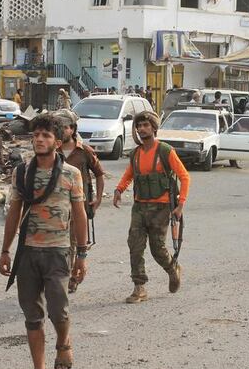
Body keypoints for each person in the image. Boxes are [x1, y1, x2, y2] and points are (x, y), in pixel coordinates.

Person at [0, 114, 89, 369]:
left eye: (46, 135)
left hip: (58, 251)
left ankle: (64, 343)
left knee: (59, 310)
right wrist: (4, 251)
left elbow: (80, 214)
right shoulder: (22, 172)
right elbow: (13, 211)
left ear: (58, 142)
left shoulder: (70, 174)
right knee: (32, 315)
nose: (39, 139)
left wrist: (82, 255)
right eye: (35, 134)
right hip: (27, 252)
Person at [113, 111, 190, 304]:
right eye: (139, 126)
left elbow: (184, 176)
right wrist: (119, 189)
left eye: (146, 125)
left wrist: (180, 205)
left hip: (161, 208)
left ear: (153, 128)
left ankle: (173, 268)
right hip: (140, 207)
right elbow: (130, 174)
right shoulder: (136, 154)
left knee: (157, 248)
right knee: (135, 246)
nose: (141, 129)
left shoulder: (165, 151)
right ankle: (139, 287)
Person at [55, 109, 105, 293]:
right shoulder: (52, 150)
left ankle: (72, 277)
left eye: (65, 127)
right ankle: (62, 277)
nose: (62, 130)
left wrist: (98, 199)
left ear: (73, 129)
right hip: (57, 207)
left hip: (78, 206)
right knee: (60, 244)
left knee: (74, 243)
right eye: (58, 127)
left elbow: (99, 174)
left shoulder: (84, 152)